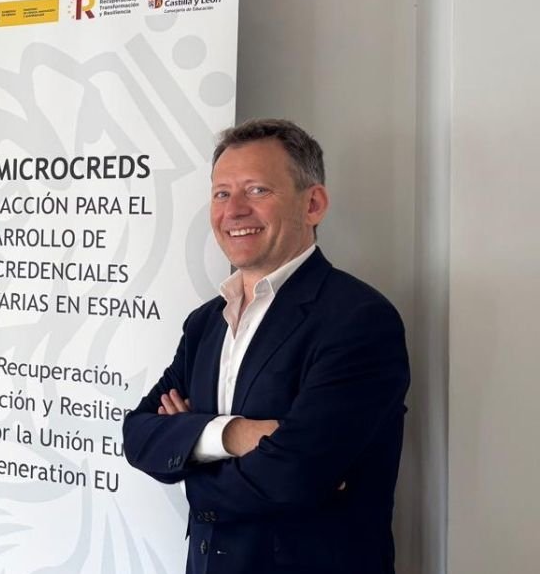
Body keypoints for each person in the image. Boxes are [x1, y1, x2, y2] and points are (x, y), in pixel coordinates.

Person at [122, 119, 410, 574]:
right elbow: (138, 434)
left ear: (313, 204)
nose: (234, 210)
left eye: (257, 190)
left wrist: (188, 448)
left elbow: (294, 475)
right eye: (221, 193)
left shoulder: (359, 320)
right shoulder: (204, 323)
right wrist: (235, 435)